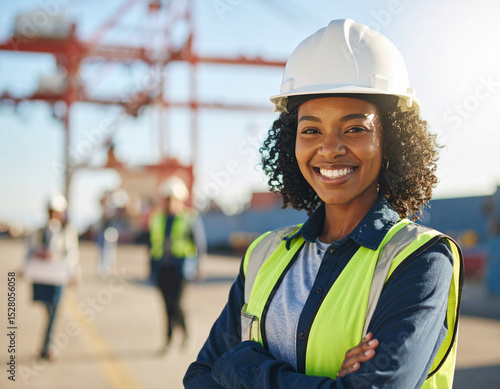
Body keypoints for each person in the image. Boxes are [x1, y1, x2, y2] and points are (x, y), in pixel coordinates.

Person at [184, 19, 463, 388]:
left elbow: (221, 365)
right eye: (311, 130)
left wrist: (243, 365)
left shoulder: (420, 260)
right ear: (291, 142)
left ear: (390, 141)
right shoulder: (262, 256)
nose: (329, 149)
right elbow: (200, 377)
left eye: (354, 129)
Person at [149, 176, 207, 350]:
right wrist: (150, 268)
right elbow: (152, 244)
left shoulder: (190, 218)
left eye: (171, 199)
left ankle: (186, 335)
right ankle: (168, 340)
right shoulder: (157, 218)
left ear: (179, 199)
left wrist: (199, 266)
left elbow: (199, 243)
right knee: (166, 305)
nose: (168, 203)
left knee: (176, 303)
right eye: (166, 199)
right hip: (161, 267)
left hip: (181, 268)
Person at [23, 194, 80, 360]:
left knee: (54, 310)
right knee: (48, 309)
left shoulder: (66, 232)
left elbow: (72, 255)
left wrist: (73, 274)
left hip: (57, 278)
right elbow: (29, 251)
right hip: (42, 277)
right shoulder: (39, 232)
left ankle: (47, 347)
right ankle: (47, 345)